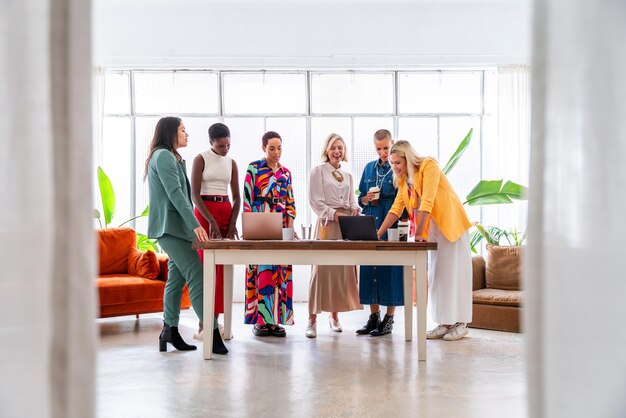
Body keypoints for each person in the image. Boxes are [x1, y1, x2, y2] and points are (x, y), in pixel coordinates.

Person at [145, 116, 228, 354]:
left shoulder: (172, 157)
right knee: (198, 275)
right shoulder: (162, 156)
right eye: (183, 130)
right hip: (170, 228)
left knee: (176, 279)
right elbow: (176, 194)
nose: (187, 134)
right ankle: (211, 333)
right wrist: (195, 225)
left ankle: (169, 330)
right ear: (170, 132)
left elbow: (180, 193)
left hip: (175, 229)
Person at [377, 140, 473, 341]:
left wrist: (418, 233)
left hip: (450, 225)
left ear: (408, 158)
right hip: (433, 231)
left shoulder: (429, 166)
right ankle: (445, 322)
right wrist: (377, 233)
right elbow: (396, 209)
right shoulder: (404, 181)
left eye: (397, 163)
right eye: (392, 163)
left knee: (454, 275)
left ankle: (461, 323)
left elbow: (427, 200)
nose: (394, 167)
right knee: (437, 277)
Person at [306, 133, 363, 338]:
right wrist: (334, 214)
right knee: (320, 270)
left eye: (340, 147)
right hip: (327, 224)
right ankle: (312, 320)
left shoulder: (348, 176)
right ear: (326, 151)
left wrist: (354, 210)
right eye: (333, 148)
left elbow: (351, 201)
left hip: (346, 225)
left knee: (341, 270)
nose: (337, 151)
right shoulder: (318, 172)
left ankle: (334, 316)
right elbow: (315, 202)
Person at [190, 122, 241, 341]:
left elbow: (238, 196)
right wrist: (209, 220)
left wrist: (231, 223)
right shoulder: (200, 159)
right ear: (211, 142)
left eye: (228, 145)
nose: (225, 149)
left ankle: (216, 323)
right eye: (221, 146)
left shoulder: (231, 163)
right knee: (205, 267)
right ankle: (203, 325)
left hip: (225, 211)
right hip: (205, 212)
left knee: (222, 269)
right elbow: (194, 194)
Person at [243, 131, 296, 337]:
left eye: (279, 148)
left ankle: (276, 321)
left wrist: (289, 230)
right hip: (259, 222)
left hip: (281, 224)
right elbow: (247, 199)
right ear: (263, 147)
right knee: (261, 268)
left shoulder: (286, 173)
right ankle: (261, 320)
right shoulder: (254, 168)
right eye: (272, 148)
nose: (276, 152)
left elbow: (291, 203)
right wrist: (249, 227)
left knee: (281, 270)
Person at [356, 129, 404, 337]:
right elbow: (360, 199)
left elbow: (404, 199)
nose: (383, 152)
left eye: (386, 148)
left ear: (392, 143)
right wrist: (366, 198)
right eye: (378, 149)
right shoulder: (368, 168)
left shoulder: (398, 167)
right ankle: (373, 316)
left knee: (390, 269)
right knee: (369, 268)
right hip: (370, 220)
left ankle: (389, 319)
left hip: (390, 220)